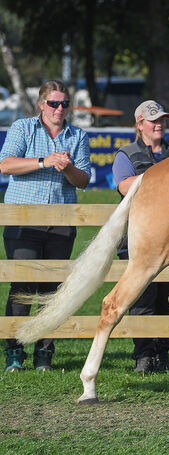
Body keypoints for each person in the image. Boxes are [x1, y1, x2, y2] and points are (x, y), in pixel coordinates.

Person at [0, 80, 91, 372]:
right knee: (22, 285)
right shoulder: (23, 128)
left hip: (61, 222)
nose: (60, 108)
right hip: (23, 220)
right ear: (42, 104)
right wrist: (44, 161)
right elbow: (6, 165)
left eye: (64, 103)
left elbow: (84, 180)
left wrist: (69, 169)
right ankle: (14, 352)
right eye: (54, 103)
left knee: (53, 290)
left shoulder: (77, 135)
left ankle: (44, 353)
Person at [111, 100, 169, 373]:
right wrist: (166, 178)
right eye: (153, 120)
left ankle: (162, 355)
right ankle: (143, 356)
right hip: (137, 238)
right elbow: (124, 185)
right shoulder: (126, 154)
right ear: (140, 124)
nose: (159, 124)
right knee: (142, 299)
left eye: (162, 119)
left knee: (168, 299)